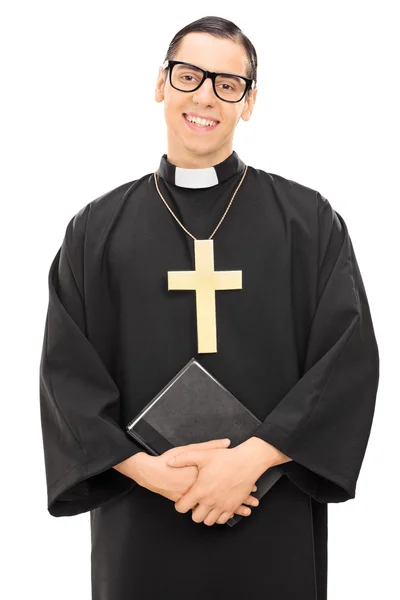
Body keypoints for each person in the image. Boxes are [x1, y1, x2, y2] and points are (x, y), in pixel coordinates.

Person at [39, 15, 380, 600]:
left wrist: (248, 462)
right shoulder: (96, 230)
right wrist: (147, 472)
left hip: (270, 506)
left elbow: (347, 363)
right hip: (139, 517)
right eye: (189, 75)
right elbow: (67, 377)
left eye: (228, 83)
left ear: (248, 103)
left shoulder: (309, 222)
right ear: (160, 85)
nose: (205, 96)